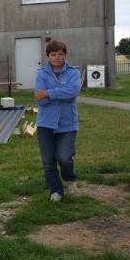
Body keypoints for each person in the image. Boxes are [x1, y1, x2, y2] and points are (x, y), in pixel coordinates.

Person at [34, 40, 81, 202]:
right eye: (53, 54)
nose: (57, 57)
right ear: (48, 56)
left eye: (60, 54)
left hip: (67, 124)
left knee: (64, 157)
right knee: (48, 160)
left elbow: (73, 92)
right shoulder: (41, 73)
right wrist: (59, 95)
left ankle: (70, 181)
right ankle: (56, 190)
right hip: (45, 123)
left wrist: (48, 93)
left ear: (65, 55)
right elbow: (40, 100)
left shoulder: (74, 72)